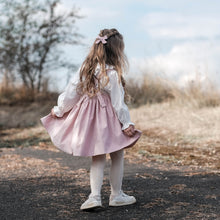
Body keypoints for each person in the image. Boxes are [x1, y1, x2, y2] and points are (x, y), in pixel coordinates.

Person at [40, 28, 142, 210]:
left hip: (89, 119)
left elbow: (72, 92)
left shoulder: (85, 69)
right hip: (108, 120)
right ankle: (116, 195)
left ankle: (94, 197)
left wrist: (60, 109)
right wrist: (126, 123)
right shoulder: (112, 74)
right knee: (118, 153)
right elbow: (118, 104)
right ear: (117, 51)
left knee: (98, 156)